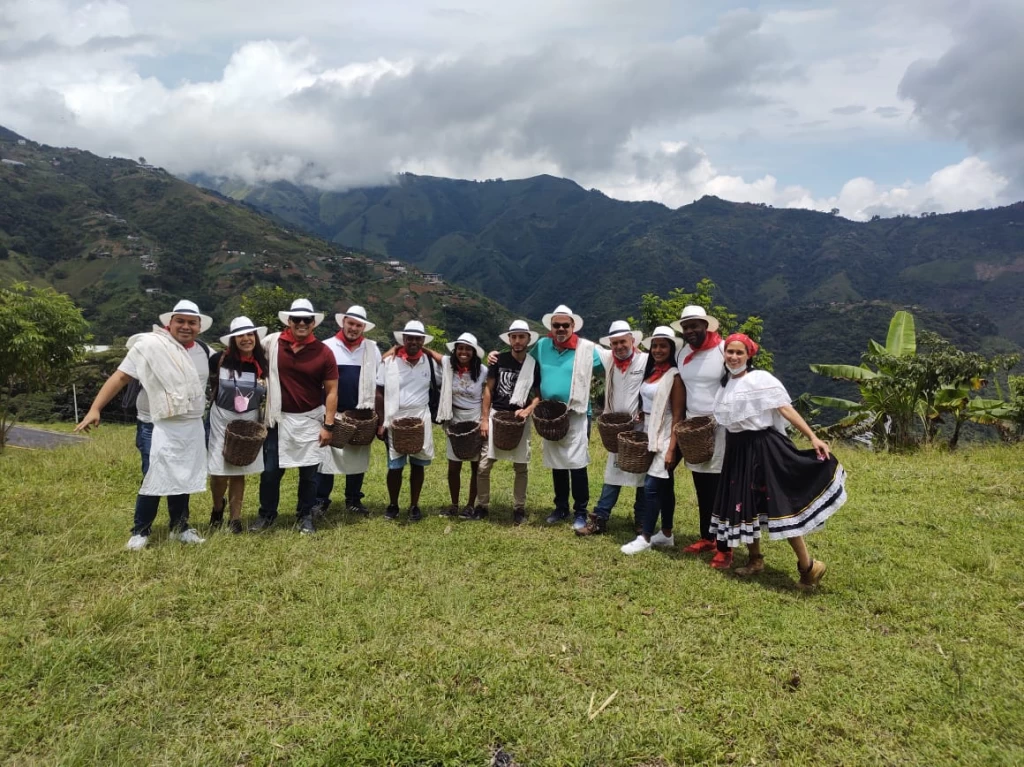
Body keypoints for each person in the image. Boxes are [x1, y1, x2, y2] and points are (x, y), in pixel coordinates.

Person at [709, 333, 846, 588]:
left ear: (749, 355)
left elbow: (785, 408)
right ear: (724, 354)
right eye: (730, 352)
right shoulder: (725, 386)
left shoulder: (760, 379)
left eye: (740, 353)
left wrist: (813, 437)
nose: (734, 357)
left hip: (763, 448)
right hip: (738, 451)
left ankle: (808, 566)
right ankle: (755, 559)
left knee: (779, 504)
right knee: (745, 504)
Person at [74, 299, 213, 550]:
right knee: (153, 474)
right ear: (168, 324)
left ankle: (179, 527)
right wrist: (95, 408)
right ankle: (140, 531)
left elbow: (231, 364)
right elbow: (121, 377)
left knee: (183, 476)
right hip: (155, 424)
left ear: (199, 326)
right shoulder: (149, 346)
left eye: (191, 322)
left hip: (191, 424)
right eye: (180, 321)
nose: (185, 326)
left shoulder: (204, 351)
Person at [249, 299, 338, 535]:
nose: (301, 323)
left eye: (306, 319)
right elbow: (248, 354)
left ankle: (305, 515)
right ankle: (266, 515)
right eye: (296, 319)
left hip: (310, 419)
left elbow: (331, 391)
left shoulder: (323, 352)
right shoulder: (272, 344)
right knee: (270, 472)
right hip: (279, 419)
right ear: (288, 321)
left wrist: (328, 425)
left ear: (313, 323)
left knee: (309, 474)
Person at [526, 304, 604, 528]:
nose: (560, 329)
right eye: (556, 325)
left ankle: (581, 510)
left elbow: (610, 362)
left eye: (565, 325)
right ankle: (561, 507)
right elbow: (524, 361)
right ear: (551, 326)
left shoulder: (585, 349)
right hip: (550, 413)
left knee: (577, 463)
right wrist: (494, 356)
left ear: (573, 326)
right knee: (557, 462)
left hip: (577, 413)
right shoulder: (542, 346)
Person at [577, 320, 648, 536]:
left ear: (632, 340)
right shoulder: (608, 358)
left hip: (641, 428)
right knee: (612, 474)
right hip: (616, 429)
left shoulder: (646, 360)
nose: (619, 347)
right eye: (615, 343)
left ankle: (642, 521)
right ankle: (600, 518)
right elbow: (581, 344)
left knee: (642, 474)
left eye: (623, 342)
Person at [672, 305, 730, 564]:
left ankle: (725, 545)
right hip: (694, 428)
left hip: (720, 427)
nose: (690, 331)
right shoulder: (684, 353)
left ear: (706, 326)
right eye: (686, 327)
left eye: (695, 325)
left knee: (720, 486)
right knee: (701, 484)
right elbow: (683, 388)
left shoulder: (723, 349)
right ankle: (707, 536)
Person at [621, 327, 686, 555]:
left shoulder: (674, 376)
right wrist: (642, 412)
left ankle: (645, 536)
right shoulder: (653, 372)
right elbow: (649, 400)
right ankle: (666, 533)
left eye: (663, 346)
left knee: (651, 487)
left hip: (666, 435)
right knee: (665, 486)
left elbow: (677, 415)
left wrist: (671, 449)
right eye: (655, 345)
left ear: (671, 349)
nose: (658, 350)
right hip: (649, 431)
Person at [315, 305, 381, 516]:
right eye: (350, 323)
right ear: (343, 322)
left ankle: (353, 499)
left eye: (358, 325)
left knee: (357, 458)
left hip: (360, 413)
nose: (354, 328)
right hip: (333, 412)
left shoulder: (372, 349)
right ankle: (321, 499)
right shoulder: (327, 347)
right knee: (326, 459)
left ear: (363, 328)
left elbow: (379, 379)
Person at [207, 316, 268, 534]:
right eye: (240, 335)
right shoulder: (218, 360)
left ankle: (235, 519)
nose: (246, 339)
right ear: (233, 340)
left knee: (238, 469)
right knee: (218, 472)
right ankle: (217, 506)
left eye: (250, 334)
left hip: (248, 420)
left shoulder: (262, 363)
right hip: (221, 419)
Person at [477, 320, 542, 525]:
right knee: (484, 466)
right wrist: (485, 419)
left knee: (521, 466)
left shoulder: (533, 365)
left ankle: (519, 508)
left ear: (528, 339)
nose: (517, 341)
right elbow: (489, 389)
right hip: (497, 415)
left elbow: (538, 396)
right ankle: (482, 505)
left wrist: (529, 409)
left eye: (521, 336)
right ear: (509, 339)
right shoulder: (498, 360)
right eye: (513, 337)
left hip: (520, 419)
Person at [376, 320, 439, 521]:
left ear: (422, 341)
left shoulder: (429, 363)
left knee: (418, 464)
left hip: (421, 416)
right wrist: (380, 421)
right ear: (403, 339)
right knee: (395, 466)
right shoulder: (390, 362)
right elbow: (379, 391)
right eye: (409, 338)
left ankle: (414, 505)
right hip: (395, 416)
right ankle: (393, 504)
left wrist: (429, 352)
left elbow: (449, 366)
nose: (413, 341)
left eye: (417, 338)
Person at [433, 332, 489, 519]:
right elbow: (434, 355)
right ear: (455, 350)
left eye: (467, 349)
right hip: (454, 419)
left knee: (475, 465)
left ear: (474, 352)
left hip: (474, 419)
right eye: (460, 348)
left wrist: (484, 419)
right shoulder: (449, 366)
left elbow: (487, 395)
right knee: (454, 465)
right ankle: (454, 503)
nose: (463, 352)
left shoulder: (482, 371)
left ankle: (470, 504)